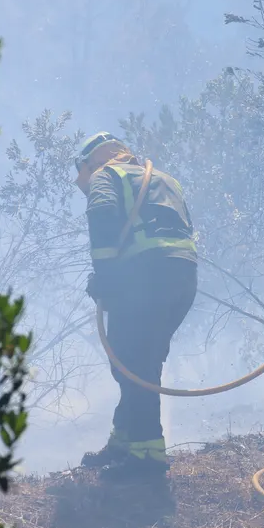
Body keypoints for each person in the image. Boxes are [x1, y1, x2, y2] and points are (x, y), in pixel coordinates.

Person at [73, 132, 198, 484]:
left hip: (147, 276)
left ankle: (147, 455)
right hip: (182, 279)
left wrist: (106, 277)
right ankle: (125, 440)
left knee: (133, 363)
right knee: (138, 359)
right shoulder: (163, 179)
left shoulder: (106, 175)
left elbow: (101, 216)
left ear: (93, 161)